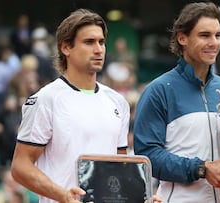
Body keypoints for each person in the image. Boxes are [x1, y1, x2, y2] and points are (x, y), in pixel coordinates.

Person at [10, 9, 161, 203]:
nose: (98, 49)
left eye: (101, 42)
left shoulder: (118, 102)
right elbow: (20, 166)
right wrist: (62, 195)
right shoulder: (46, 99)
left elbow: (120, 171)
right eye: (89, 42)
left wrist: (141, 198)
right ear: (66, 47)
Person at [133, 2, 220, 203]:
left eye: (218, 35)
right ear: (182, 38)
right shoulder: (159, 91)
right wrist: (202, 169)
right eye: (204, 35)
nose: (214, 43)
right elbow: (148, 157)